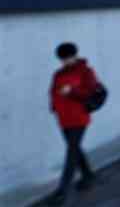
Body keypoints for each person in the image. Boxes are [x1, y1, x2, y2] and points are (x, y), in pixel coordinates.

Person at [47, 43, 97, 205]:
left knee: (71, 153)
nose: (65, 61)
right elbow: (53, 90)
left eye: (68, 58)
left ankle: (61, 192)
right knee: (74, 148)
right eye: (62, 59)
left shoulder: (86, 71)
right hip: (63, 118)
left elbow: (91, 91)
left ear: (75, 55)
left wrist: (72, 91)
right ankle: (88, 175)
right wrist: (54, 106)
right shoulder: (58, 73)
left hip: (79, 118)